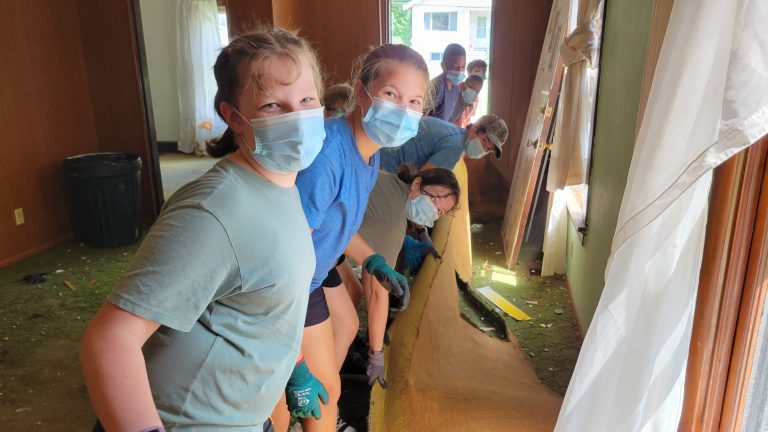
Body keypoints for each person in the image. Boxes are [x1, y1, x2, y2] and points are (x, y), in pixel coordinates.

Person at [79, 28, 329, 432]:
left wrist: (295, 366)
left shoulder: (282, 185)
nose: (296, 117)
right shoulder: (213, 210)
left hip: (244, 417)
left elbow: (266, 301)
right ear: (233, 116)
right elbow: (109, 341)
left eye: (305, 100)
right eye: (271, 105)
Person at [271, 43, 431, 432]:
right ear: (362, 92)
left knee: (343, 324)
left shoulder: (370, 154)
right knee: (320, 391)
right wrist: (295, 363)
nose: (402, 110)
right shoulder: (328, 157)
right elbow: (281, 262)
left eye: (414, 101)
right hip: (287, 286)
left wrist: (372, 260)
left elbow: (335, 226)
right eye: (391, 95)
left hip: (313, 269)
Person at [342, 164, 460, 386]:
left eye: (440, 212)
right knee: (347, 321)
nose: (434, 212)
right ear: (416, 183)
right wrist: (377, 353)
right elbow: (377, 290)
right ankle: (324, 374)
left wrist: (375, 325)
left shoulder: (392, 184)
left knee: (352, 290)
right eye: (434, 201)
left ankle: (337, 350)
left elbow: (371, 279)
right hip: (312, 234)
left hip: (321, 226)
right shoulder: (393, 220)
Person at [379, 114, 509, 173]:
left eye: (488, 149)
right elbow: (420, 180)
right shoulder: (454, 148)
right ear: (475, 128)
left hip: (381, 149)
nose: (484, 149)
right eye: (485, 140)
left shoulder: (454, 132)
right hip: (384, 166)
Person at [427, 43, 466, 121]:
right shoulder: (437, 85)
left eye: (463, 67)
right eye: (454, 67)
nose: (460, 71)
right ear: (443, 66)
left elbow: (449, 118)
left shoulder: (455, 88)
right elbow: (423, 117)